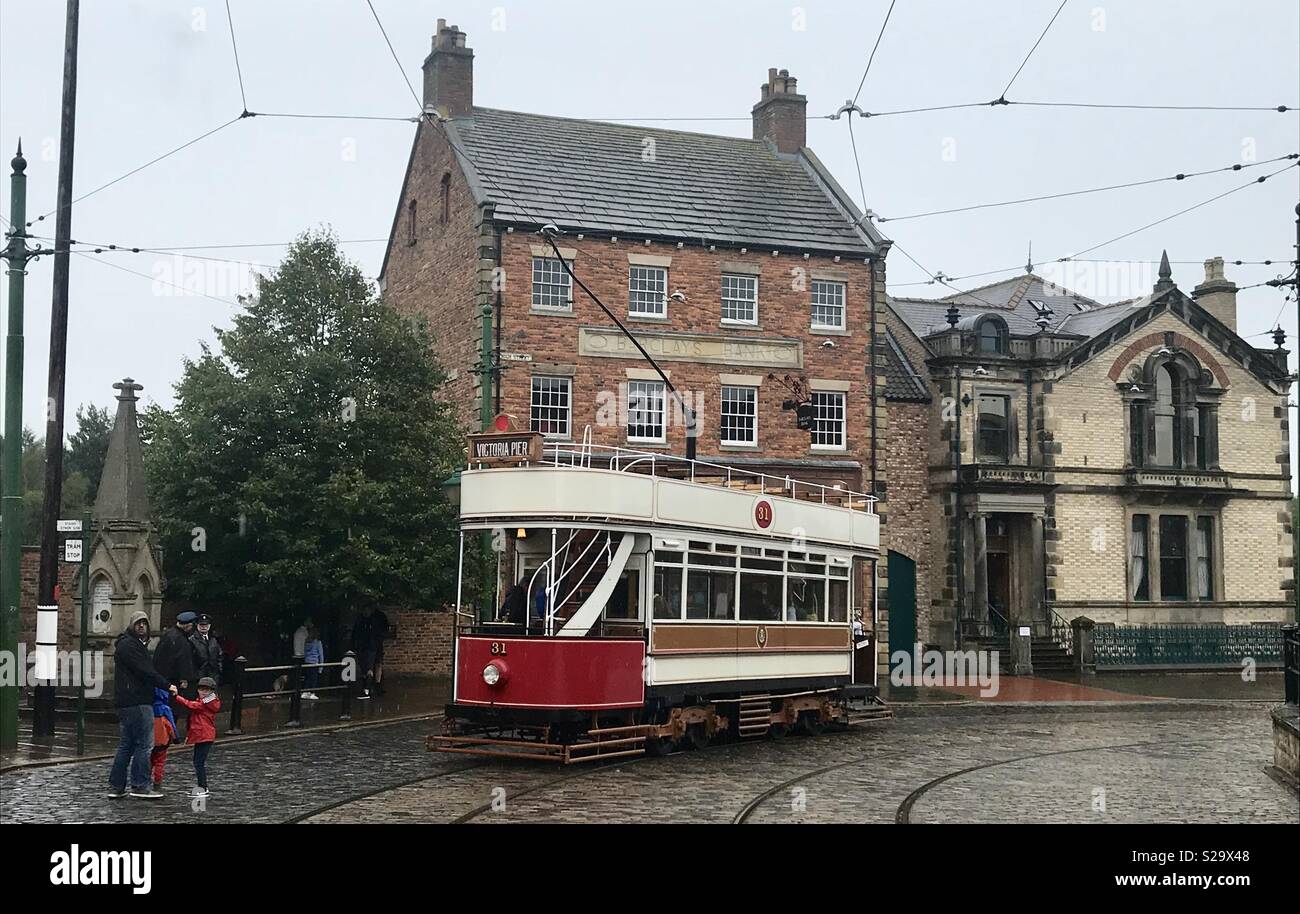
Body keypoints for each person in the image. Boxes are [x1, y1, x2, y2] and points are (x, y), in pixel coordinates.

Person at [108, 611, 175, 800]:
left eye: (144, 623)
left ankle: (117, 786)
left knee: (126, 744)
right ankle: (139, 785)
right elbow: (145, 671)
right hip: (137, 701)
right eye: (138, 623)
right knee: (144, 744)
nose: (141, 626)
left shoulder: (130, 645)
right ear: (131, 625)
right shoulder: (131, 646)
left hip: (127, 701)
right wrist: (166, 685)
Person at [175, 676, 221, 798]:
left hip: (204, 736)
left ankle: (203, 787)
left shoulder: (205, 703)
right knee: (198, 762)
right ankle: (202, 787)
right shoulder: (208, 702)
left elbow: (191, 705)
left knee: (199, 763)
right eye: (201, 689)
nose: (203, 692)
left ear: (212, 691)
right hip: (204, 736)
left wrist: (176, 697)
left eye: (206, 690)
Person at [154, 611, 197, 692]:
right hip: (174, 682)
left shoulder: (168, 634)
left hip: (163, 679)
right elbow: (183, 661)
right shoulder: (181, 640)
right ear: (188, 626)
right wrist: (184, 678)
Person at [150, 687, 177, 792]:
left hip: (150, 739)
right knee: (159, 762)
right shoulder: (165, 708)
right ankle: (157, 782)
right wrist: (175, 737)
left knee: (149, 761)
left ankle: (145, 780)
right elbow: (171, 724)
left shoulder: (149, 708)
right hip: (163, 740)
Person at [351, 607, 381, 700]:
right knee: (364, 668)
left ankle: (367, 689)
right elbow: (355, 634)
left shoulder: (373, 622)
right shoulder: (360, 621)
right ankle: (366, 687)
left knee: (369, 668)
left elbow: (377, 636)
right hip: (362, 648)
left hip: (370, 648)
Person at [189, 613, 223, 684]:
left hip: (213, 675)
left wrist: (219, 669)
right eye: (201, 625)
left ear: (209, 626)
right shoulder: (191, 640)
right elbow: (189, 659)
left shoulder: (213, 639)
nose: (203, 627)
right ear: (197, 625)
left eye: (206, 625)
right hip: (199, 676)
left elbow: (219, 655)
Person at [371, 608, 390, 696]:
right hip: (370, 644)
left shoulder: (380, 616)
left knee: (378, 663)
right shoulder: (364, 617)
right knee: (371, 664)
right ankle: (371, 684)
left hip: (377, 643)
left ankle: (377, 685)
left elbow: (386, 628)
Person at [302, 625, 324, 700]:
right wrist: (321, 666)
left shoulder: (306, 641)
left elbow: (304, 652)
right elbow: (321, 655)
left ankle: (305, 692)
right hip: (314, 662)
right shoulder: (318, 642)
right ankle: (312, 692)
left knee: (308, 678)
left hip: (307, 662)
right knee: (314, 679)